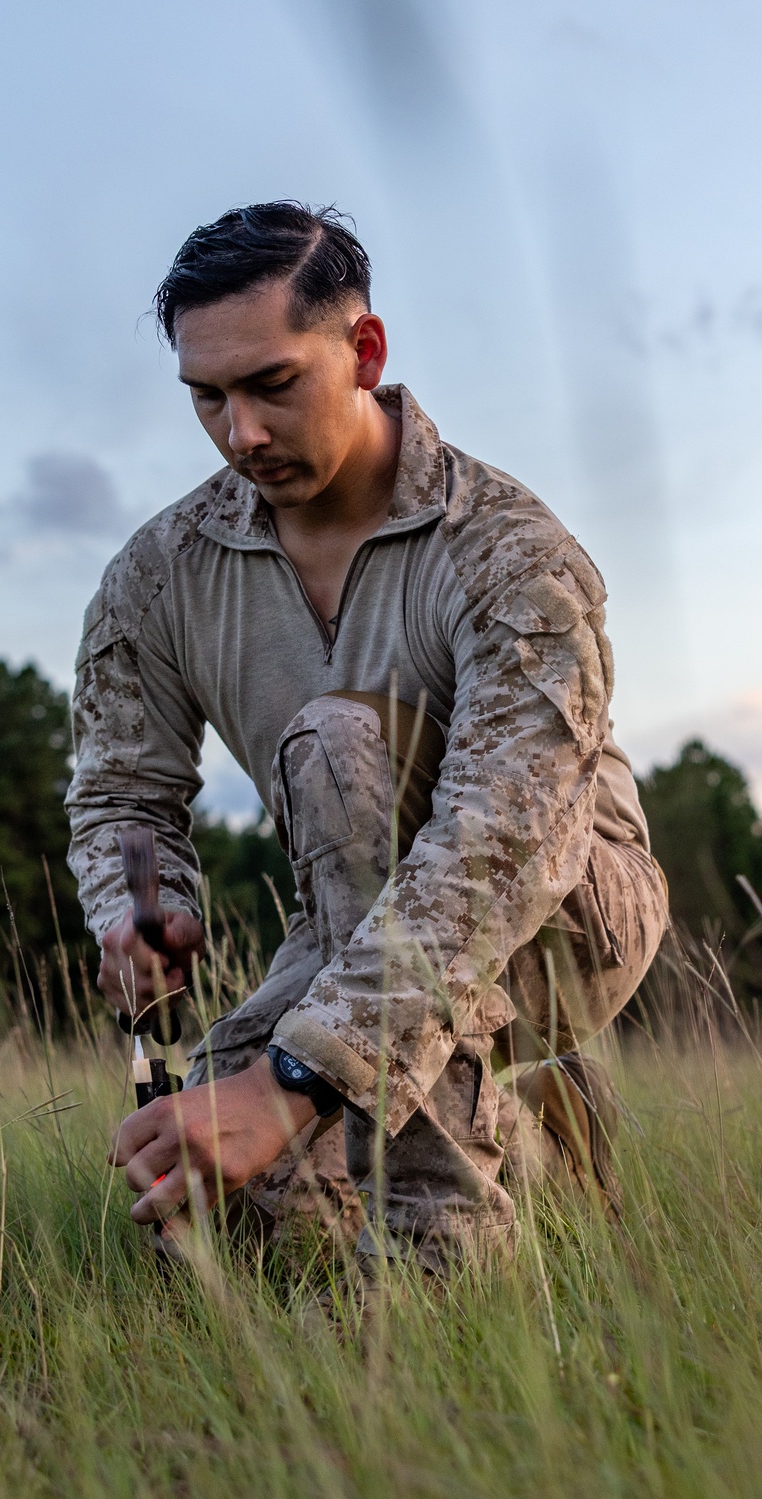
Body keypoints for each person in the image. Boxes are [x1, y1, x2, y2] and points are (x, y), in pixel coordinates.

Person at [65, 202, 669, 1273]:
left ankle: (440, 1248)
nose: (239, 432)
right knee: (205, 1213)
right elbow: (121, 793)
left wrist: (293, 1082)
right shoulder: (156, 574)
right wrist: (139, 906)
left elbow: (502, 839)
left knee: (340, 743)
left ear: (364, 350)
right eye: (207, 397)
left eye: (271, 385)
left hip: (566, 904)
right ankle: (539, 1140)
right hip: (347, 919)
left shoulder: (510, 552)